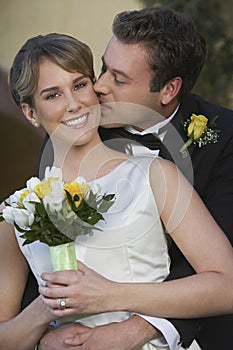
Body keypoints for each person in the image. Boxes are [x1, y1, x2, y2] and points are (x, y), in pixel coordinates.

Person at [1, 33, 233, 350]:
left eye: (80, 85)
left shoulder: (155, 175)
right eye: (53, 95)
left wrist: (109, 294)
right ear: (30, 113)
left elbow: (227, 286)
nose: (73, 103)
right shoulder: (19, 211)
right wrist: (45, 310)